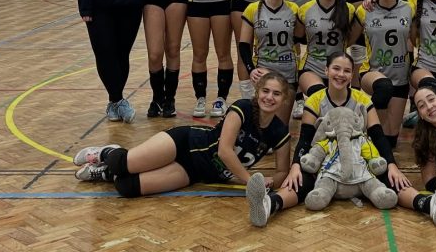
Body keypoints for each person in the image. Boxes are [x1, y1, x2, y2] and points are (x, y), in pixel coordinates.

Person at [245, 52, 436, 227]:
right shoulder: (316, 99)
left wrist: (392, 165)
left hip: (359, 163)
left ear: (352, 75)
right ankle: (267, 205)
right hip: (325, 165)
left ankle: (431, 204)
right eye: (336, 69)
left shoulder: (361, 99)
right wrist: (295, 167)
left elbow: (377, 136)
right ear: (327, 71)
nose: (341, 74)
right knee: (299, 179)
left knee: (393, 179)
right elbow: (305, 139)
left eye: (347, 71)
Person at [72, 72, 293, 198]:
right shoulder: (242, 108)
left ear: (284, 100)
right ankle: (107, 153)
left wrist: (271, 181)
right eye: (265, 91)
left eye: (276, 94)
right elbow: (225, 152)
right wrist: (252, 182)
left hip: (194, 170)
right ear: (257, 93)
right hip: (185, 143)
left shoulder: (279, 132)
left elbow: (283, 170)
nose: (269, 97)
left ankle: (105, 174)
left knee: (127, 188)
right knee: (123, 163)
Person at [348, 0, 413, 148]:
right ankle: (362, 125)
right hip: (372, 73)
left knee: (390, 140)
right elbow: (350, 41)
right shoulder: (365, 10)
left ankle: (371, 135)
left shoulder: (410, 8)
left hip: (400, 77)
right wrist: (353, 76)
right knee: (383, 89)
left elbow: (421, 38)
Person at [238, 0, 303, 124]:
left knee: (280, 127)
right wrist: (251, 69)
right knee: (261, 123)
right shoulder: (253, 9)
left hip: (288, 72)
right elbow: (244, 45)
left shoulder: (294, 9)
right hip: (263, 70)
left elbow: (300, 39)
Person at [296, 0, 354, 100]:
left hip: (338, 70)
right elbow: (298, 37)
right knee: (320, 96)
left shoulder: (349, 9)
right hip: (311, 67)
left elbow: (353, 38)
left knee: (334, 108)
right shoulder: (305, 9)